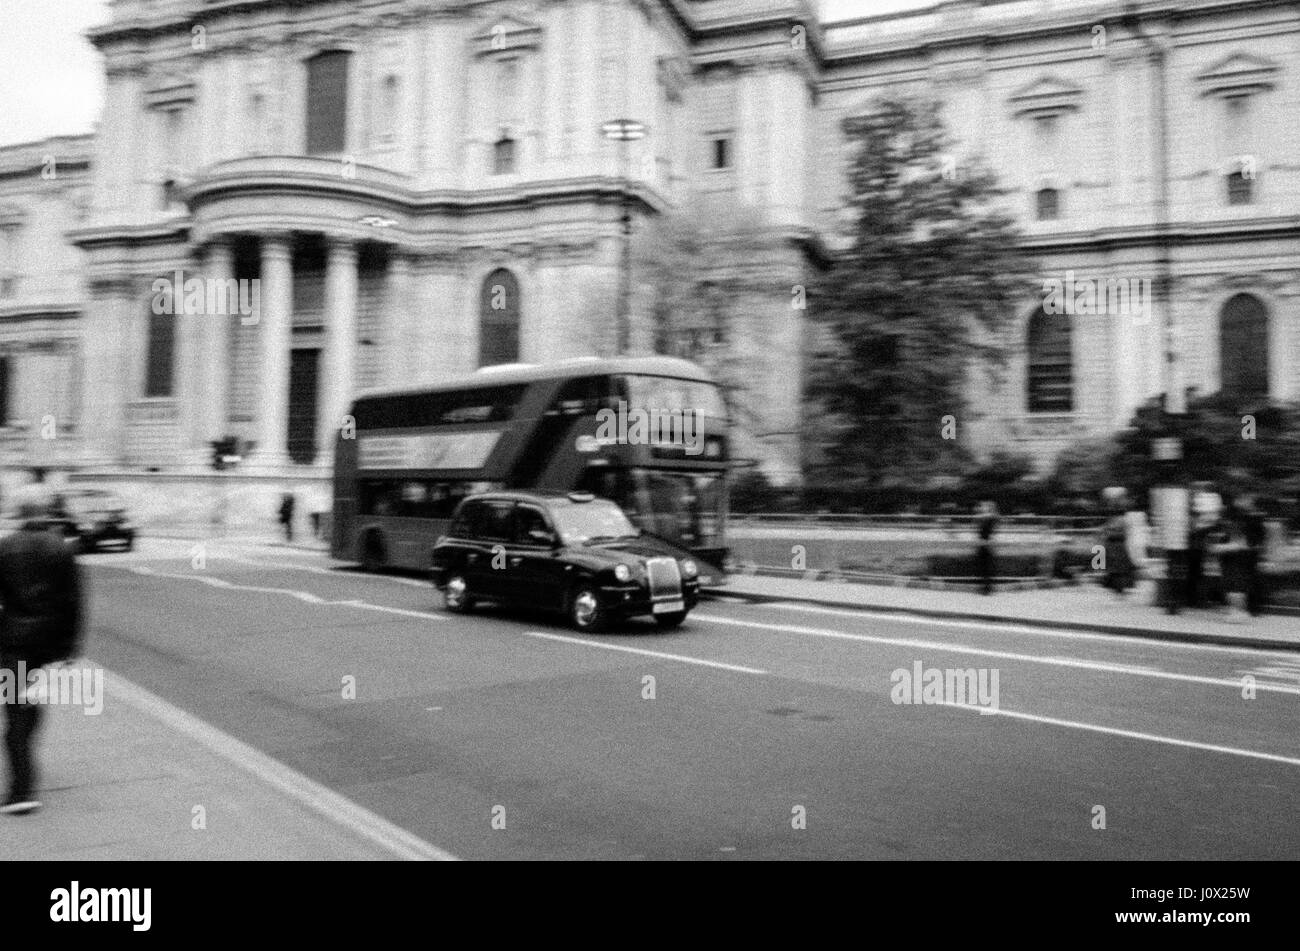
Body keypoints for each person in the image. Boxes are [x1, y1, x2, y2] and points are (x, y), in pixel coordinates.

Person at [0, 489, 84, 815]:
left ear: (21, 513)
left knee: (15, 711)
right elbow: (73, 602)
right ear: (44, 513)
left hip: (14, 644)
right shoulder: (61, 549)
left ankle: (22, 792)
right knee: (24, 701)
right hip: (47, 642)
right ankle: (28, 728)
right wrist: (70, 646)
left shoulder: (5, 548)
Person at [975, 501, 998, 596]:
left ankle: (987, 588)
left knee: (987, 567)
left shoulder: (990, 518)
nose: (982, 508)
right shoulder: (985, 518)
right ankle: (985, 588)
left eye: (984, 506)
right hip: (984, 544)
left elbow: (989, 532)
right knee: (984, 567)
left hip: (986, 544)